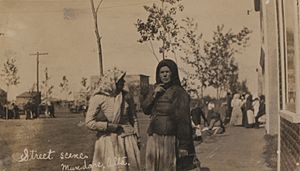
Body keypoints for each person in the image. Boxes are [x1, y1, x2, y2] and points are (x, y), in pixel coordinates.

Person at [142, 59, 200, 171]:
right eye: (162, 72)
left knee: (167, 167)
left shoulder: (179, 92)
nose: (164, 75)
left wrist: (183, 146)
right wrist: (154, 94)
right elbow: (145, 109)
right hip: (154, 137)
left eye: (167, 72)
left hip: (169, 139)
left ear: (173, 73)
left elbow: (184, 121)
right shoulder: (156, 90)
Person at [85, 69, 141, 171]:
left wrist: (137, 137)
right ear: (112, 82)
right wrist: (107, 126)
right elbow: (89, 122)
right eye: (120, 81)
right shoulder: (98, 97)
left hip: (127, 140)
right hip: (107, 140)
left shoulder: (126, 96)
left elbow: (134, 118)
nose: (124, 83)